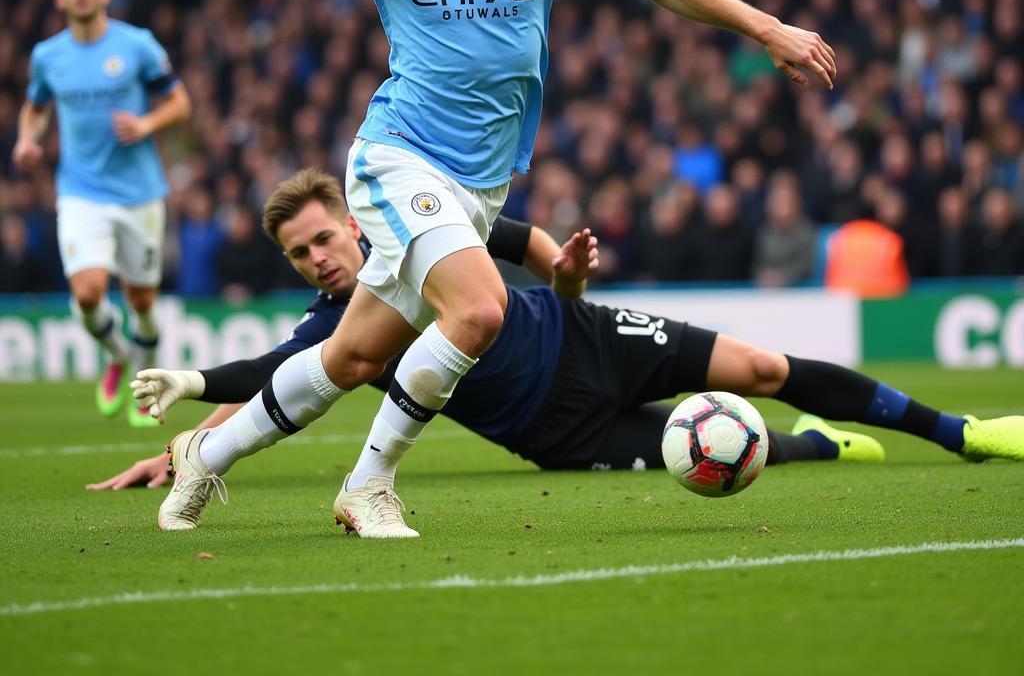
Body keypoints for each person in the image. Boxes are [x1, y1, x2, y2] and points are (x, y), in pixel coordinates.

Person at [62, 0, 837, 537]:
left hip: (480, 186)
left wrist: (765, 26)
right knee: (479, 309)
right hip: (397, 158)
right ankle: (368, 486)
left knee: (353, 359)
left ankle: (208, 451)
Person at [89, 169, 1024, 509]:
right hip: (555, 433)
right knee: (710, 453)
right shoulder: (343, 324)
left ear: (352, 217)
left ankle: (960, 432)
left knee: (766, 367)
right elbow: (274, 377)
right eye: (299, 256)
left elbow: (542, 255)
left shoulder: (429, 227)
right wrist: (185, 428)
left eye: (324, 238)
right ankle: (818, 444)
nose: (318, 261)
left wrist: (569, 270)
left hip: (592, 335)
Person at [12, 0, 191, 425]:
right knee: (89, 294)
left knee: (142, 301)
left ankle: (144, 374)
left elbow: (179, 102)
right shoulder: (48, 56)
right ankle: (118, 356)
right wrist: (28, 139)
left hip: (140, 192)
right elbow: (35, 106)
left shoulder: (137, 46)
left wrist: (146, 123)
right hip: (80, 192)